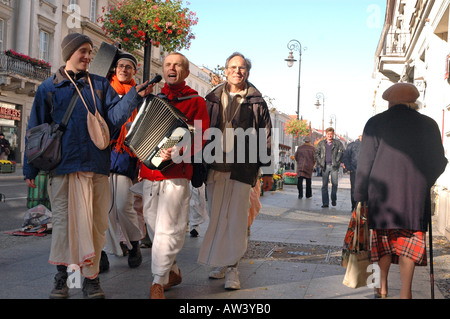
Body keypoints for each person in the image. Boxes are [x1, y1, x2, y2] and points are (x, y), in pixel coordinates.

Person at [23, 33, 154, 299]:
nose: (87, 56)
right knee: (63, 226)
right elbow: (35, 129)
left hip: (95, 167)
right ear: (68, 53)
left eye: (90, 51)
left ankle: (91, 279)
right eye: (82, 51)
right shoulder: (49, 88)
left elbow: (115, 120)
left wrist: (133, 97)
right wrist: (30, 168)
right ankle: (64, 278)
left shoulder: (99, 85)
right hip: (63, 167)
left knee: (95, 226)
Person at [354, 82, 447, 299]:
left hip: (381, 199)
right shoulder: (429, 124)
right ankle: (406, 293)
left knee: (382, 247)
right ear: (413, 102)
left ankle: (382, 289)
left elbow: (364, 164)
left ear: (390, 102)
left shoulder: (375, 123)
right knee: (408, 247)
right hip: (413, 200)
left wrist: (359, 198)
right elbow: (439, 161)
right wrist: (424, 181)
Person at [198, 52, 273, 290]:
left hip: (242, 170)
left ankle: (232, 269)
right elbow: (199, 132)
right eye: (233, 67)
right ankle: (220, 262)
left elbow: (266, 137)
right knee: (216, 218)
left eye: (241, 68)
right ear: (225, 70)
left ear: (247, 72)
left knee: (237, 221)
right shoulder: (211, 98)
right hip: (214, 168)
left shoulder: (257, 102)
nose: (237, 71)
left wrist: (268, 171)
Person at [139, 52, 209, 299]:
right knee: (154, 227)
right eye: (168, 64)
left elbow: (202, 139)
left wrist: (178, 150)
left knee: (169, 228)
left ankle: (157, 280)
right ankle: (173, 270)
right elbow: (140, 132)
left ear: (186, 72)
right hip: (150, 172)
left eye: (177, 65)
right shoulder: (153, 99)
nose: (171, 68)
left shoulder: (196, 101)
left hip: (177, 174)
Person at [101, 51, 144, 270]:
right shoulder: (104, 89)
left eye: (128, 67)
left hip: (126, 156)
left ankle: (134, 243)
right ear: (114, 69)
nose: (124, 70)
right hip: (104, 153)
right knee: (104, 208)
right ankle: (106, 251)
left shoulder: (140, 95)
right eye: (120, 66)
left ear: (134, 71)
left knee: (123, 206)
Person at [315, 127, 344, 208]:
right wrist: (320, 161)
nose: (329, 136)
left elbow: (342, 152)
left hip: (334, 166)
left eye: (331, 134)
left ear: (333, 134)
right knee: (324, 185)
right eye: (328, 134)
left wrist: (338, 160)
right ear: (326, 134)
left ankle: (333, 198)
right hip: (325, 166)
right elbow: (316, 153)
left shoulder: (338, 143)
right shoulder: (321, 143)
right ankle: (325, 203)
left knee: (335, 184)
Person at [342, 135, 362, 211]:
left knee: (354, 188)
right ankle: (356, 206)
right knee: (355, 188)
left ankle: (355, 206)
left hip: (355, 170)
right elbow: (346, 157)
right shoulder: (353, 145)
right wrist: (349, 167)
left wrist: (348, 167)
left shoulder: (351, 145)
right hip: (357, 170)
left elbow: (345, 157)